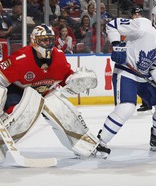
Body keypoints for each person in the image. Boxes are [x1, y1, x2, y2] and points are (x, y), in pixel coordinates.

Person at [0, 24, 103, 164]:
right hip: (19, 92)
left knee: (62, 109)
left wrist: (77, 81)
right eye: (44, 40)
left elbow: (67, 78)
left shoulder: (59, 56)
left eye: (50, 40)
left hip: (45, 91)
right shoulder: (20, 59)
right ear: (34, 41)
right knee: (21, 114)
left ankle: (87, 145)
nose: (48, 44)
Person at [97, 3, 156, 158]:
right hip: (126, 72)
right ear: (153, 16)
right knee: (127, 108)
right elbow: (112, 25)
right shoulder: (141, 25)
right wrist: (116, 45)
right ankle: (100, 141)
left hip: (145, 77)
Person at [129, 6, 153, 114]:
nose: (137, 16)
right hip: (133, 56)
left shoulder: (146, 26)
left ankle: (147, 103)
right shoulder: (129, 25)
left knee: (143, 80)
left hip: (143, 56)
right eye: (135, 14)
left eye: (139, 14)